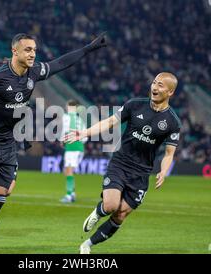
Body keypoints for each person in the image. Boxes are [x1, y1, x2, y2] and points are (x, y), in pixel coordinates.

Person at [0, 33, 107, 254]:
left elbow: (60, 63)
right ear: (15, 51)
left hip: (7, 145)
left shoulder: (35, 72)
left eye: (34, 50)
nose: (32, 54)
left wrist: (88, 48)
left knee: (0, 198)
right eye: (28, 49)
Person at [64, 72, 181, 254]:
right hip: (120, 163)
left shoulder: (173, 122)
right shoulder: (135, 105)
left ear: (170, 92)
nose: (154, 87)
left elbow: (169, 153)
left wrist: (163, 171)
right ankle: (98, 213)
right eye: (154, 83)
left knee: (120, 215)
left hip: (142, 173)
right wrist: (84, 133)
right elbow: (110, 121)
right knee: (110, 205)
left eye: (160, 85)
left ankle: (87, 244)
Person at [60, 99, 87, 203]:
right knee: (67, 171)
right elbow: (85, 138)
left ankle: (69, 195)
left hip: (72, 147)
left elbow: (65, 131)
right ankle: (72, 194)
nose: (66, 107)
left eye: (67, 106)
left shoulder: (66, 117)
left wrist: (62, 140)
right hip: (79, 147)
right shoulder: (80, 120)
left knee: (68, 171)